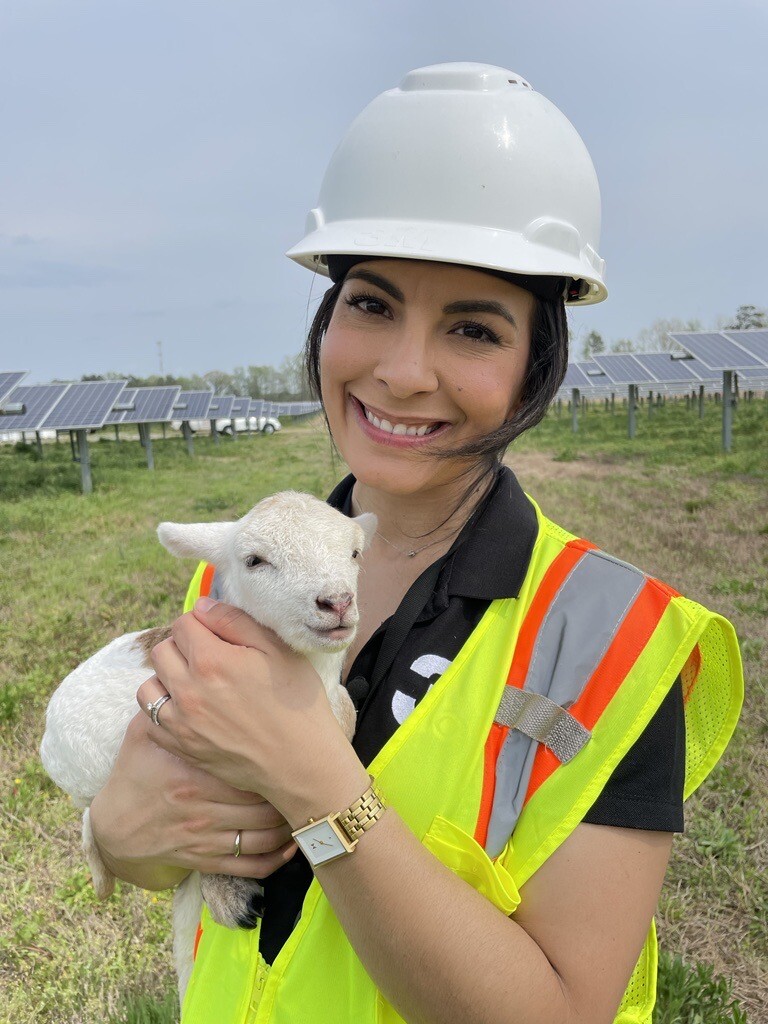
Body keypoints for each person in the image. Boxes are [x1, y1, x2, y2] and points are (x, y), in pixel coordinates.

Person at [88, 64, 743, 1024]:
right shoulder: (238, 577)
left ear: (535, 369)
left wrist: (316, 781)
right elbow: (175, 855)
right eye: (372, 304)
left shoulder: (613, 648)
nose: (401, 372)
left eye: (472, 329)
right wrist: (117, 837)